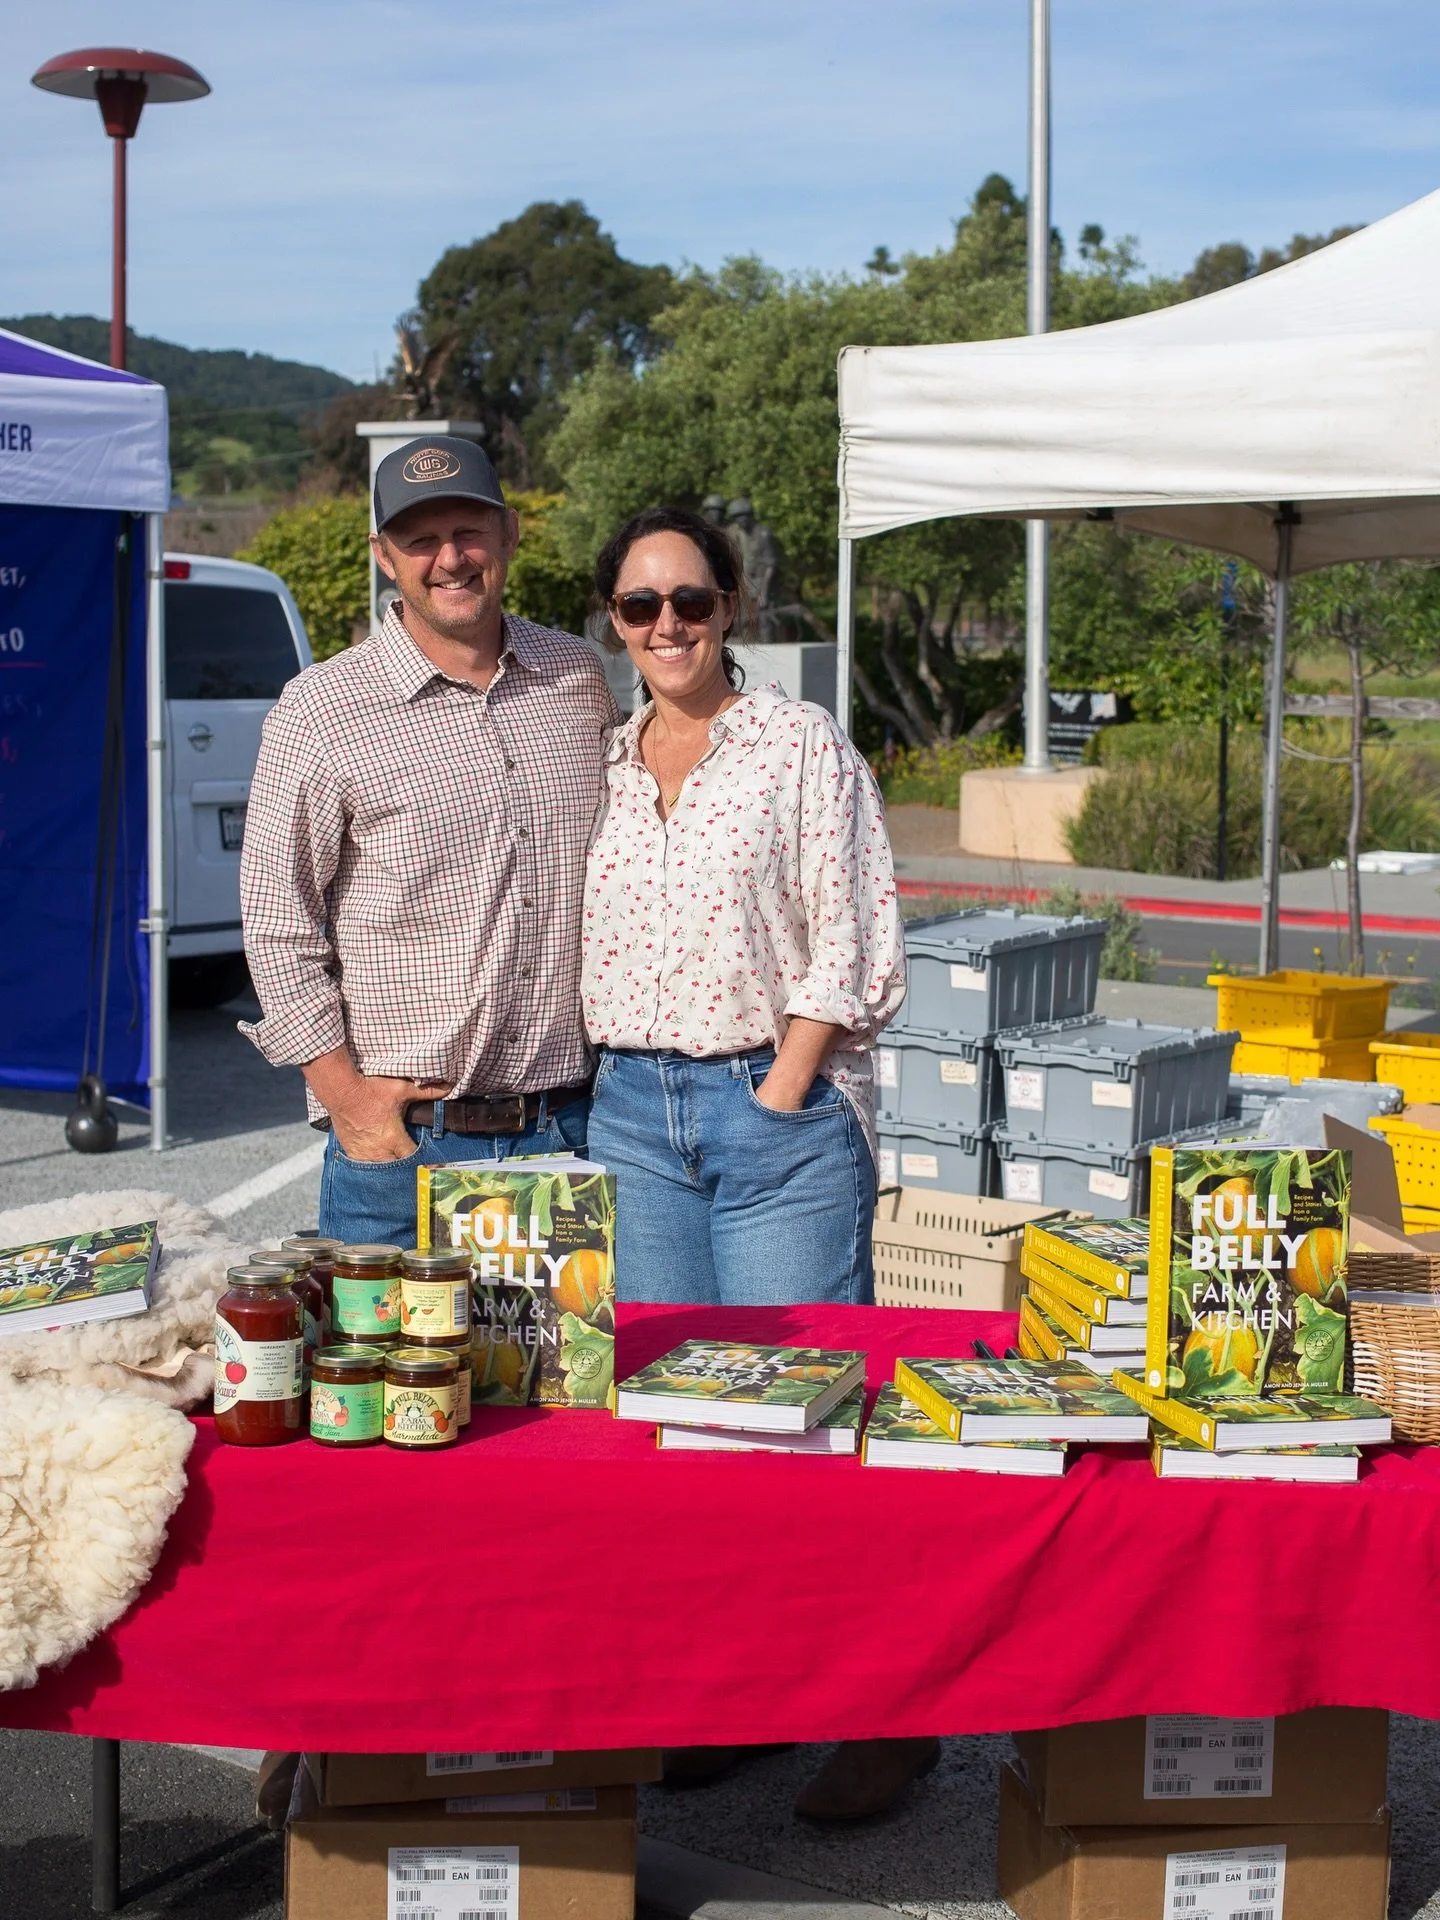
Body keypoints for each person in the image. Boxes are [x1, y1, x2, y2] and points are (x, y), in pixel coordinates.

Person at [581, 505, 935, 1819]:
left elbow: (856, 935)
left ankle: (885, 1717)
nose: (667, 624)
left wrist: (785, 1086)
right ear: (614, 622)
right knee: (684, 1439)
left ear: (731, 606)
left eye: (691, 599)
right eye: (641, 605)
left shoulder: (799, 746)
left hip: (769, 1110)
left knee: (811, 1429)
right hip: (631, 1116)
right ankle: (736, 1702)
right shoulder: (605, 760)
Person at [239, 435, 618, 1247]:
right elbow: (277, 926)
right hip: (403, 1150)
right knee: (392, 1344)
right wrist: (350, 1103)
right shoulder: (320, 711)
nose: (450, 558)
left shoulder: (578, 679)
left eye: (469, 531)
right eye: (420, 539)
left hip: (572, 1136)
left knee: (575, 1345)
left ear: (509, 533)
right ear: (384, 555)